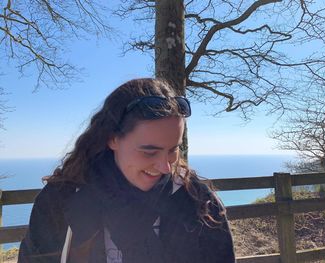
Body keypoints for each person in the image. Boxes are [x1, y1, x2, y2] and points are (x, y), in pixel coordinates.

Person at [18, 78, 235, 263]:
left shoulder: (199, 204)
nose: (165, 167)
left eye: (173, 150)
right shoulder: (61, 201)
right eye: (149, 152)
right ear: (112, 138)